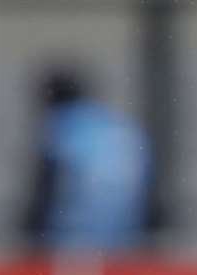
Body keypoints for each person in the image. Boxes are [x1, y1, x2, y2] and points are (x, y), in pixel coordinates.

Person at [17, 64, 152, 253]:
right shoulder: (122, 126)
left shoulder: (60, 127)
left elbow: (45, 192)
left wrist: (29, 244)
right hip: (127, 240)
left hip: (72, 243)